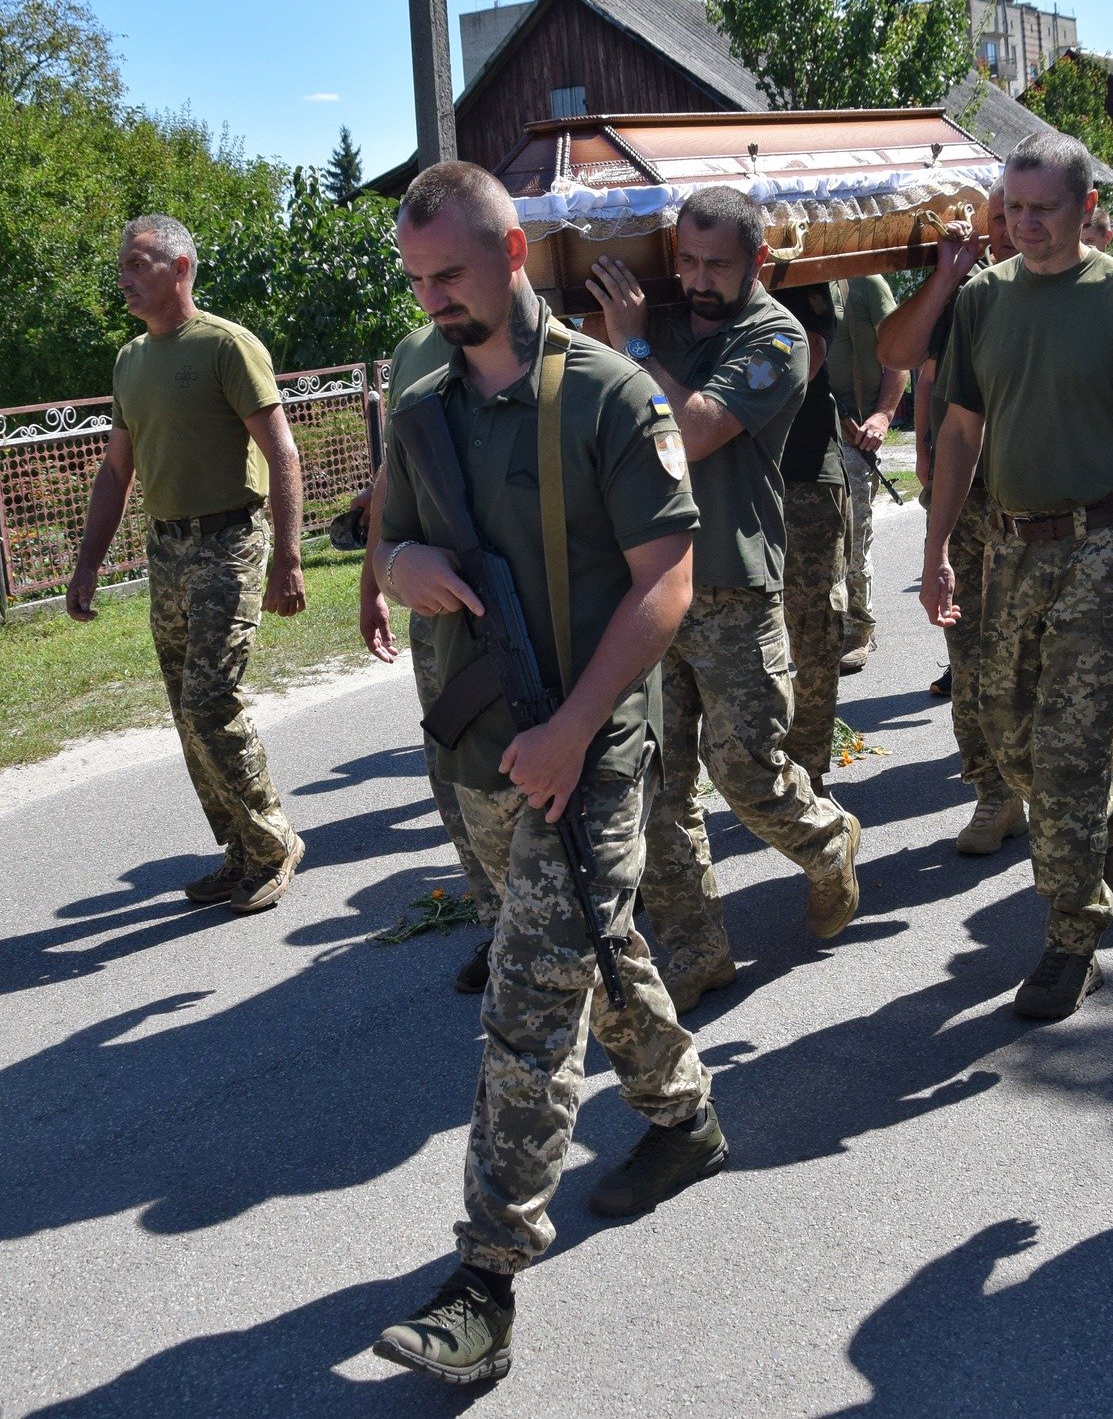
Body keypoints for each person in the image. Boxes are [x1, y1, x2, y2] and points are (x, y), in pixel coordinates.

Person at [373, 162, 717, 1384]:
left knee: (528, 1006)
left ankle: (485, 1282)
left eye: (451, 275)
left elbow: (667, 582)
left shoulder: (610, 397)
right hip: (476, 745)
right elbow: (386, 530)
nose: (433, 301)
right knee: (586, 946)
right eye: (417, 281)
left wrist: (574, 725)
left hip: (591, 746)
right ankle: (683, 1116)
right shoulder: (423, 395)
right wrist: (399, 565)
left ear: (514, 253)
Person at [925, 132, 1113, 1020]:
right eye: (1014, 208)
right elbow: (959, 433)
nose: (1026, 223)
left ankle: (1071, 939)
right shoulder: (982, 299)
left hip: (1101, 541)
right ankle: (1111, 824)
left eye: (1044, 208)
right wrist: (934, 551)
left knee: (1071, 751)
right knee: (1007, 740)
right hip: (1009, 546)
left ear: (1085, 208)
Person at [583, 188, 864, 1013]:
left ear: (758, 263)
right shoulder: (660, 319)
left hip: (733, 583)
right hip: (647, 584)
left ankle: (826, 840)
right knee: (657, 785)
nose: (700, 280)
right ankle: (698, 948)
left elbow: (696, 428)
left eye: (719, 265)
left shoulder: (777, 337)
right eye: (688, 261)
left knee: (744, 771)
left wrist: (633, 342)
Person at [66, 214, 308, 915]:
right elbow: (117, 471)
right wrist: (88, 564)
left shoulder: (226, 346)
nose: (123, 278)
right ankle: (240, 850)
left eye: (137, 264)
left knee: (210, 702)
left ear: (180, 269)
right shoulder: (130, 360)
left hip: (229, 540)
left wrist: (288, 558)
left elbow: (282, 452)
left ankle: (273, 845)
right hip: (166, 548)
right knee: (185, 709)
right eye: (122, 265)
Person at [874, 175, 1028, 856]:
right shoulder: (964, 294)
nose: (1010, 228)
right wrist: (945, 277)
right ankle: (994, 794)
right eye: (1000, 215)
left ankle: (1060, 794)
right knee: (969, 658)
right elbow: (900, 357)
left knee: (1035, 662)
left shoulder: (1069, 291)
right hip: (969, 504)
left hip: (1043, 507)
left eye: (1025, 212)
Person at [361, 319, 499, 991]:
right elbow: (395, 476)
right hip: (439, 606)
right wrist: (373, 584)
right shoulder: (415, 351)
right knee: (453, 761)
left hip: (529, 594)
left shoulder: (555, 331)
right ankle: (501, 921)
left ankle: (588, 902)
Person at [773, 279, 850, 783]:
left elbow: (810, 355)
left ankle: (807, 772)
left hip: (804, 476)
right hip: (729, 477)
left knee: (814, 628)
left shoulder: (799, 273)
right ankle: (758, 768)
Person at [827, 271, 908, 675]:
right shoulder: (790, 284)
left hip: (854, 436)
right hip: (807, 435)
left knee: (854, 540)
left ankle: (859, 630)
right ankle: (823, 631)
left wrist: (882, 415)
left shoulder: (865, 284)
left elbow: (899, 355)